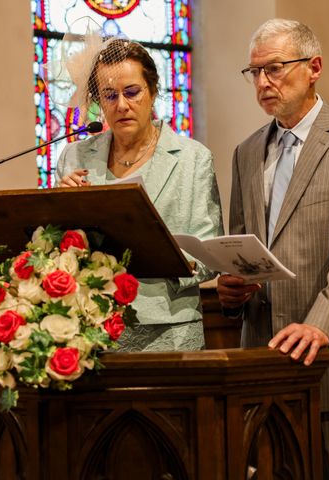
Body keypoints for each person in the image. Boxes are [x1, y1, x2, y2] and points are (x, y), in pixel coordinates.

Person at [216, 19, 329, 479]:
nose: (262, 82)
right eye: (254, 72)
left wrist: (320, 328)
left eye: (274, 68)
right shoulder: (247, 151)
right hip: (264, 358)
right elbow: (245, 243)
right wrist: (234, 290)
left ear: (313, 66)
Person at [56, 39, 223, 352]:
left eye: (132, 92)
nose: (121, 105)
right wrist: (61, 210)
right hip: (91, 330)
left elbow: (208, 255)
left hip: (169, 331)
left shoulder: (192, 158)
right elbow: (60, 247)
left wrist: (153, 256)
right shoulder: (74, 158)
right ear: (98, 102)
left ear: (153, 91)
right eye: (109, 95)